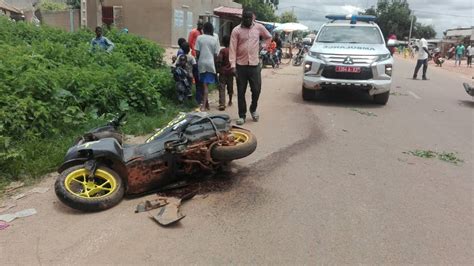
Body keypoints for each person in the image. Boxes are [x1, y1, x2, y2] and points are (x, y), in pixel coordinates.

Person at [229, 9, 272, 125]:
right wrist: (233, 66)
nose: (248, 20)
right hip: (240, 66)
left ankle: (253, 109)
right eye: (245, 18)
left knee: (256, 89)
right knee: (241, 91)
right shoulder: (236, 31)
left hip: (254, 65)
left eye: (250, 18)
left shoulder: (259, 28)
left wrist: (262, 46)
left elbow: (268, 37)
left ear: (252, 18)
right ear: (242, 18)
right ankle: (242, 115)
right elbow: (232, 49)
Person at [195, 22, 220, 111]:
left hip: (201, 63)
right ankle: (206, 104)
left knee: (204, 85)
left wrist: (199, 58)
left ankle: (203, 105)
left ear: (203, 29)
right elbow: (216, 54)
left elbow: (197, 52)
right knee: (206, 85)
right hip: (210, 63)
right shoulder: (214, 39)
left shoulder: (200, 38)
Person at [217, 35, 234, 111]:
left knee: (222, 88)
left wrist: (218, 68)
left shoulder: (222, 51)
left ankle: (222, 104)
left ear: (223, 42)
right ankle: (230, 101)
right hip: (231, 72)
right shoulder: (232, 50)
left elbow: (219, 60)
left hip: (223, 72)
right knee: (230, 87)